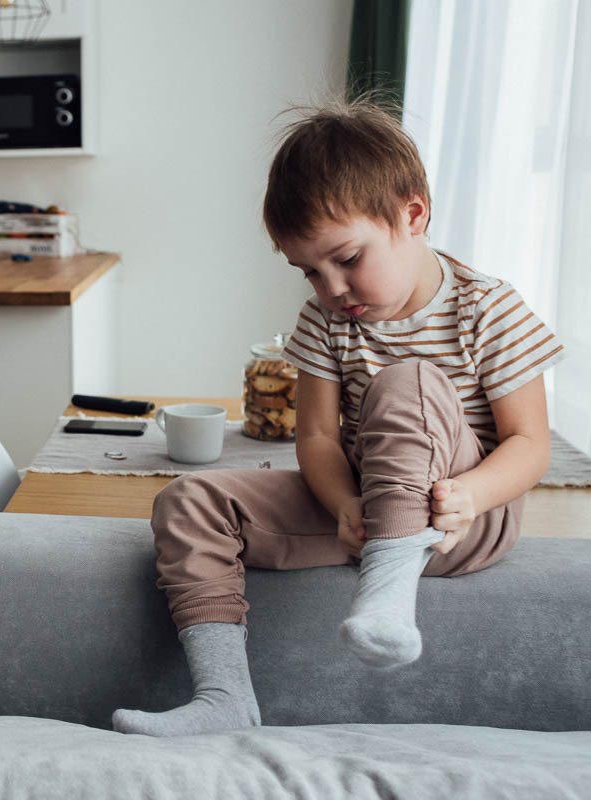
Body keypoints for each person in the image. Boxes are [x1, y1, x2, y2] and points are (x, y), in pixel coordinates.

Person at [112, 97, 565, 737]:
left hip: (461, 520)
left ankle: (388, 589)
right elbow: (319, 438)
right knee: (188, 500)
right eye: (309, 272)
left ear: (413, 214)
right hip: (361, 509)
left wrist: (470, 495)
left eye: (347, 259)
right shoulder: (325, 321)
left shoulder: (488, 309)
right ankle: (224, 699)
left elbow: (530, 444)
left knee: (407, 380)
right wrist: (344, 503)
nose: (331, 289)